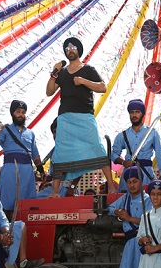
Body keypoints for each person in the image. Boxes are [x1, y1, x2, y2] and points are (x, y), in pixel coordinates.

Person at [46, 36, 116, 196]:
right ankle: (55, 192)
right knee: (60, 153)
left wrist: (84, 81)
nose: (70, 50)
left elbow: (102, 87)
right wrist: (54, 73)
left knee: (97, 148)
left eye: (72, 47)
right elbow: (49, 92)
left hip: (85, 117)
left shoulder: (88, 70)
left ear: (78, 49)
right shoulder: (62, 74)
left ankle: (111, 186)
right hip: (65, 119)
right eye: (67, 48)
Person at [0, 100, 43, 213]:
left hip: (28, 171)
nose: (21, 114)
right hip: (10, 170)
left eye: (23, 112)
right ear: (12, 113)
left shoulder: (30, 133)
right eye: (18, 111)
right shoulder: (5, 130)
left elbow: (35, 155)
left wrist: (41, 172)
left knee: (28, 204)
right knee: (7, 203)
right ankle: (7, 228)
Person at [111, 99, 161, 190]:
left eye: (137, 112)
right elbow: (113, 155)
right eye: (132, 112)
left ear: (143, 114)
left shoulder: (152, 133)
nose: (134, 115)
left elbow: (160, 155)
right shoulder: (122, 135)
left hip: (146, 175)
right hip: (129, 174)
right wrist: (123, 162)